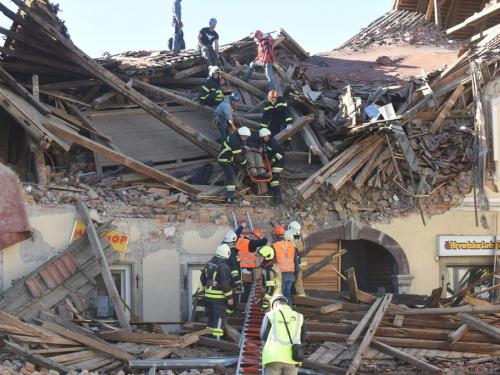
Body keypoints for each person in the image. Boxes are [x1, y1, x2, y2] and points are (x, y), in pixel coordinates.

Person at [260, 294, 306, 375]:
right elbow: (303, 338)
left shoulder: (270, 315)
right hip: (293, 357)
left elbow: (263, 336)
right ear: (286, 304)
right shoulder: (299, 316)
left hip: (273, 357)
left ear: (275, 304)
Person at [200, 244, 234, 340]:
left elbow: (203, 278)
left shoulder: (209, 263)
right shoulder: (224, 267)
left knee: (211, 316)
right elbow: (225, 285)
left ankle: (209, 338)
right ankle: (217, 340)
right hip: (219, 298)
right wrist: (230, 297)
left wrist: (207, 289)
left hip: (209, 296)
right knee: (219, 317)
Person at [217, 126, 250, 205]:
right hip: (224, 160)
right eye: (244, 137)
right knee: (232, 177)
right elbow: (238, 157)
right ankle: (229, 199)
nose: (245, 139)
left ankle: (230, 197)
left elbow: (240, 147)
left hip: (228, 160)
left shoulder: (235, 136)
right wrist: (246, 164)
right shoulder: (235, 141)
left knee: (233, 175)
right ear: (240, 135)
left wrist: (244, 146)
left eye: (246, 137)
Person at [236, 228, 269, 303]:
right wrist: (265, 237)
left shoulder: (239, 240)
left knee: (239, 287)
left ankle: (239, 304)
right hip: (247, 270)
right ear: (255, 237)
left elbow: (236, 233)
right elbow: (264, 241)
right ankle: (243, 305)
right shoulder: (251, 243)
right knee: (247, 289)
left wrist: (241, 227)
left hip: (238, 268)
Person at [272, 225, 299, 308]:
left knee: (281, 297)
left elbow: (272, 263)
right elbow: (296, 261)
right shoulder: (291, 245)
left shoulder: (274, 246)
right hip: (290, 275)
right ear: (283, 234)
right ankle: (290, 314)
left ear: (275, 235)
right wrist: (296, 273)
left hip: (280, 275)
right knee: (287, 296)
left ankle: (282, 317)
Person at [259, 128, 285, 205]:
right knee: (271, 179)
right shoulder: (265, 142)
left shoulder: (273, 143)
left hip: (278, 163)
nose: (265, 138)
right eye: (263, 137)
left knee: (274, 179)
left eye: (266, 137)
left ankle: (278, 199)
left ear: (269, 136)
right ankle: (274, 192)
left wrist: (273, 160)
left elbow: (281, 152)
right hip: (273, 163)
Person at [221, 230, 243, 309]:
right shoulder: (232, 252)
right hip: (232, 285)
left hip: (227, 282)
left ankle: (226, 318)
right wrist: (238, 283)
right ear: (234, 241)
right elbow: (233, 268)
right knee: (232, 303)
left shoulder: (223, 250)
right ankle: (226, 318)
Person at [257, 246, 282, 311]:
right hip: (275, 300)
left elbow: (270, 288)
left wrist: (265, 302)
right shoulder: (270, 267)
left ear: (267, 256)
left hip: (272, 302)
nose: (258, 257)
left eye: (261, 256)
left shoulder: (269, 271)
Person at [288, 221, 307, 297]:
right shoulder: (300, 236)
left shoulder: (293, 238)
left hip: (298, 263)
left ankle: (302, 300)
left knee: (297, 283)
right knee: (298, 281)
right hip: (303, 262)